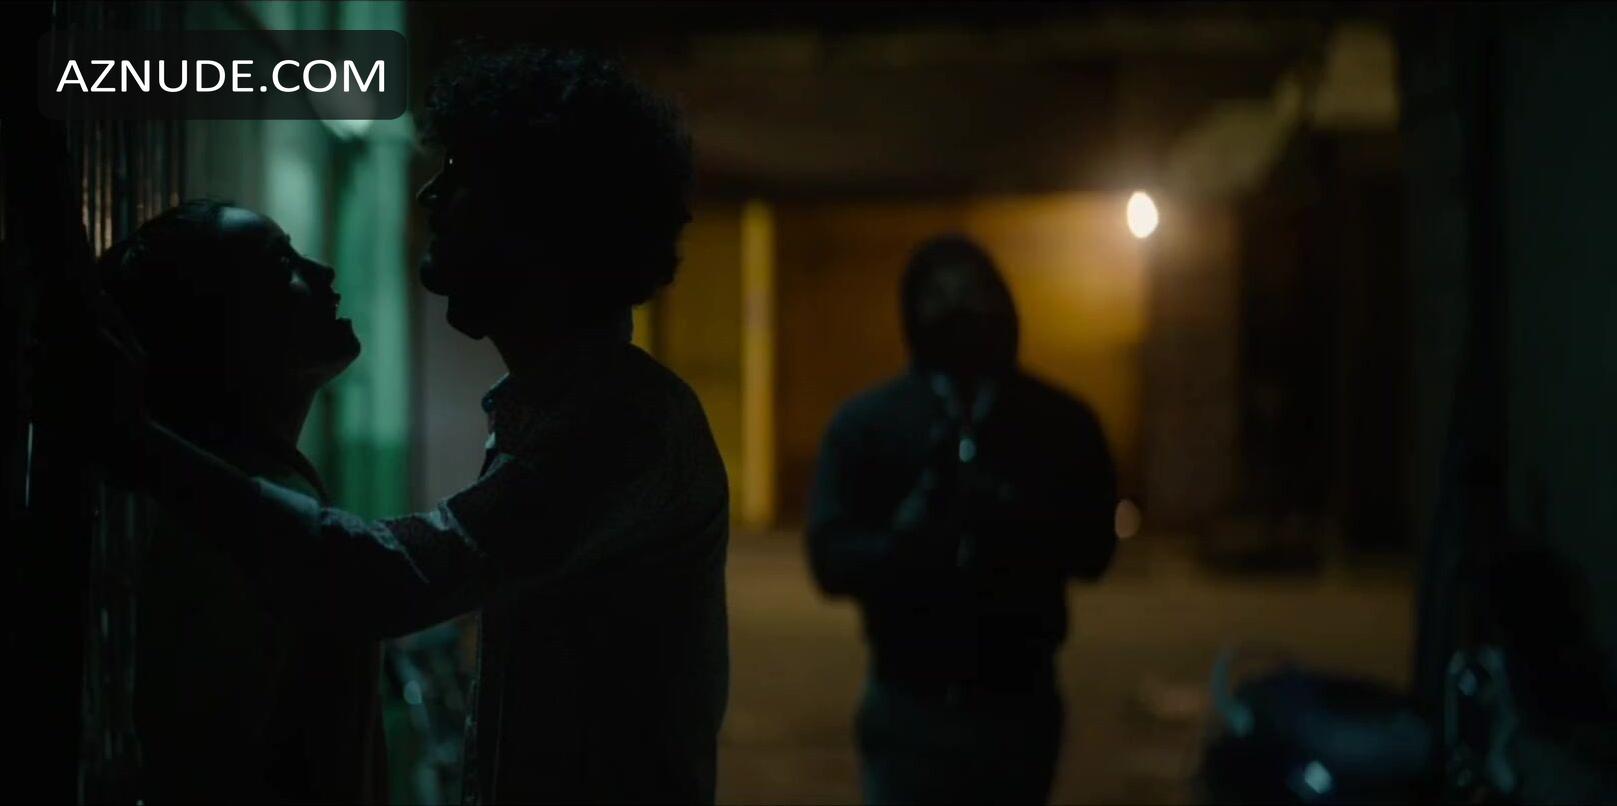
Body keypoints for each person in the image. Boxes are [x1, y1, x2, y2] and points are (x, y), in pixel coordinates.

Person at [102, 45, 729, 804]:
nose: (431, 194)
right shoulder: (553, 411)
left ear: (534, 216)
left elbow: (392, 580)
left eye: (459, 174)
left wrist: (134, 446)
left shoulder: (624, 425)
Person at [806, 235, 1118, 804]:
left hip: (1018, 701)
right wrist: (907, 541)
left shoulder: (1059, 423)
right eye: (943, 301)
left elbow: (1095, 551)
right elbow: (830, 559)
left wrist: (1014, 520)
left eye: (975, 298)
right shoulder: (868, 425)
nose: (962, 318)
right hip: (908, 701)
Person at [97, 200, 385, 802]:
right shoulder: (228, 541)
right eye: (281, 264)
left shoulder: (252, 502)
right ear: (222, 330)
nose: (322, 271)